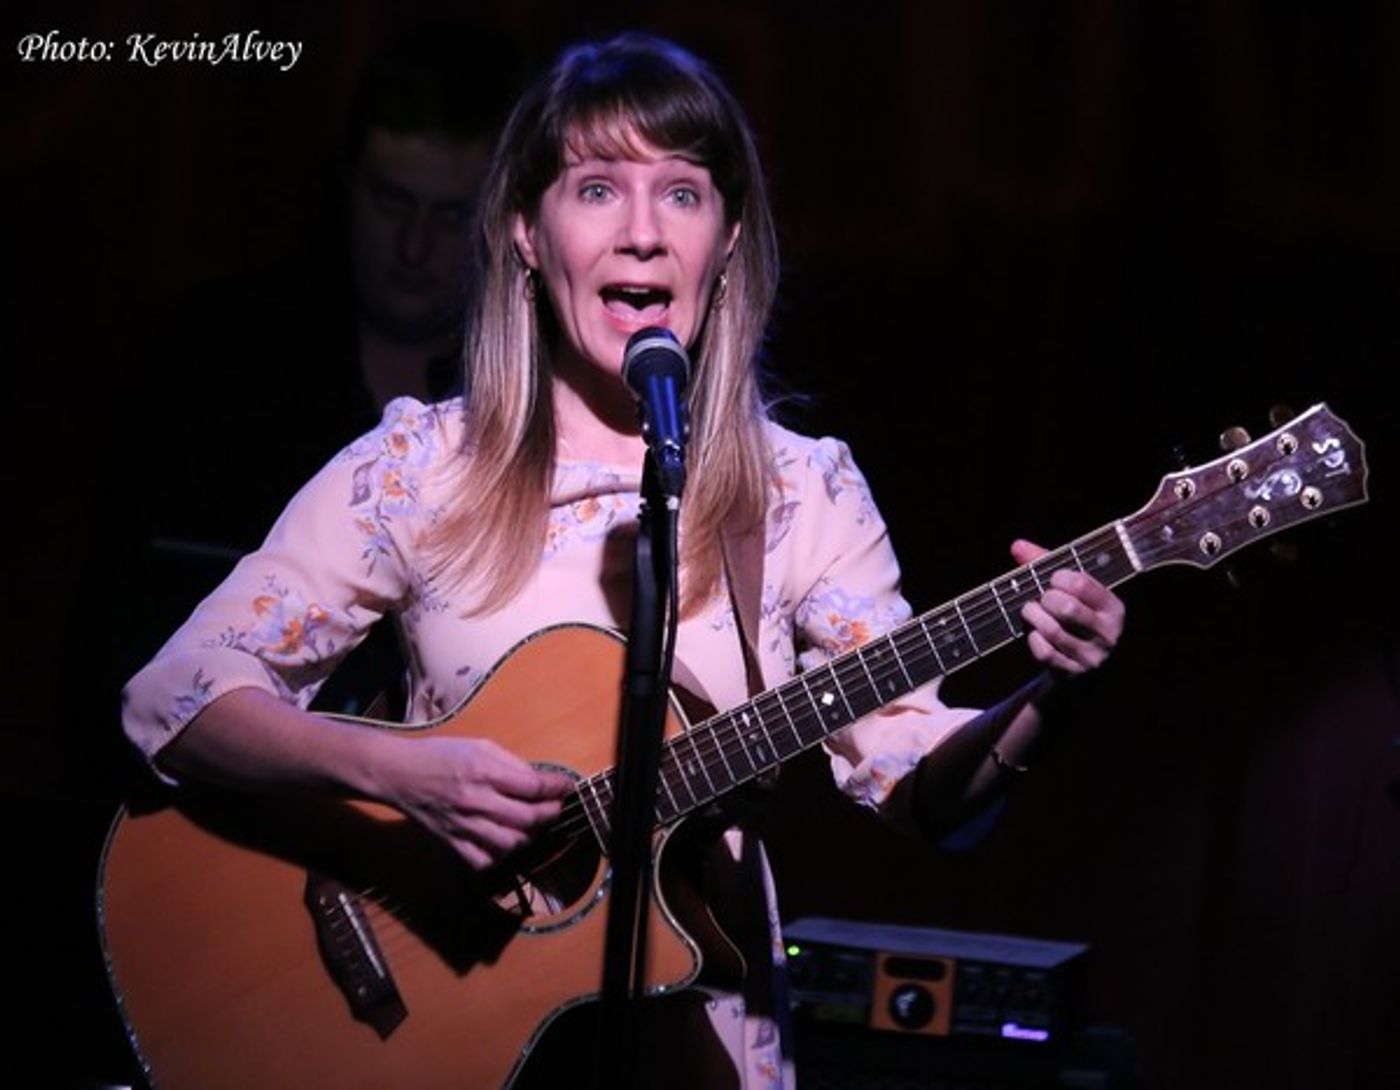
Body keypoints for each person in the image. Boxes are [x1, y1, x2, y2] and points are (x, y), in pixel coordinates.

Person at [119, 31, 1125, 1089]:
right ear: (523, 230)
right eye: (598, 187)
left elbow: (921, 788)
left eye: (682, 193)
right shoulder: (421, 465)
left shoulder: (801, 492)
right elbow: (172, 702)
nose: (642, 235)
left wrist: (1043, 694)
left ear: (727, 239)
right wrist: (402, 774)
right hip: (451, 1039)